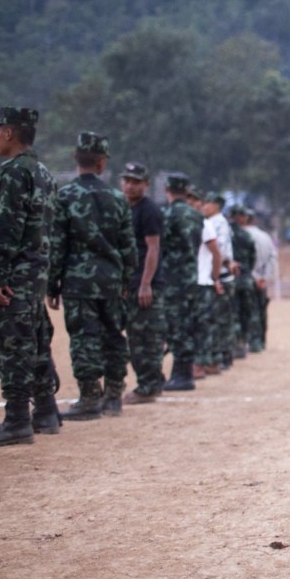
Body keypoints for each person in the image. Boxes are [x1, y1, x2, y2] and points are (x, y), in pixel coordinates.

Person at [0, 107, 61, 445]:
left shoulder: (14, 172)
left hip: (15, 274)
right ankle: (44, 411)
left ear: (9, 132)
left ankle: (16, 419)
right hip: (37, 274)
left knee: (10, 343)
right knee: (35, 340)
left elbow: (6, 226)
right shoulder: (44, 172)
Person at [48, 132, 136, 418]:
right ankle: (113, 396)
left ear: (76, 158)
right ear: (101, 163)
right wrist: (126, 280)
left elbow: (57, 245)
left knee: (84, 338)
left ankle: (89, 398)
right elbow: (128, 246)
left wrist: (52, 283)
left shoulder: (64, 196)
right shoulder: (117, 199)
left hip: (77, 281)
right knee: (113, 335)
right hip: (111, 281)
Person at [120, 161, 166, 404]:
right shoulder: (125, 208)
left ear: (146, 185)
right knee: (136, 337)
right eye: (126, 181)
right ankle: (151, 382)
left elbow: (153, 248)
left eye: (135, 182)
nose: (129, 186)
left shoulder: (149, 210)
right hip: (131, 283)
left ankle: (148, 386)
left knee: (144, 337)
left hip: (145, 285)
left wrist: (145, 283)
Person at [161, 172, 203, 390]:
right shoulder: (196, 214)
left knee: (175, 326)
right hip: (190, 276)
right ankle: (185, 371)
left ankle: (181, 375)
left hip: (171, 278)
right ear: (187, 191)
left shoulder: (167, 214)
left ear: (166, 189)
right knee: (187, 324)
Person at [201, 193, 237, 367]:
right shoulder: (217, 222)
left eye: (208, 203)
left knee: (221, 318)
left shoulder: (218, 223)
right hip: (220, 273)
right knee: (221, 317)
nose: (204, 205)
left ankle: (223, 355)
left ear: (217, 205)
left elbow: (219, 250)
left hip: (220, 275)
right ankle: (222, 354)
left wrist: (214, 275)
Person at [190, 187, 223, 376]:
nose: (192, 204)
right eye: (189, 200)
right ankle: (206, 362)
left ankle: (201, 364)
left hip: (203, 281)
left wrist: (214, 277)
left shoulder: (204, 224)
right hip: (190, 282)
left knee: (202, 325)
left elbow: (216, 253)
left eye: (196, 201)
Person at [237, 207, 275, 352]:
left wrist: (254, 277)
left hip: (248, 279)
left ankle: (250, 341)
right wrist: (265, 278)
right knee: (261, 309)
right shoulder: (265, 236)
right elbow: (272, 258)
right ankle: (261, 340)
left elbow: (245, 261)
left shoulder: (242, 236)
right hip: (262, 280)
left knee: (248, 310)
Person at [228, 204, 257, 358]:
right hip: (244, 279)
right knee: (244, 312)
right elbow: (253, 259)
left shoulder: (226, 232)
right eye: (243, 215)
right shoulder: (246, 236)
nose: (246, 218)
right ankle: (241, 344)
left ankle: (234, 344)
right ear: (238, 216)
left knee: (232, 313)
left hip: (229, 277)